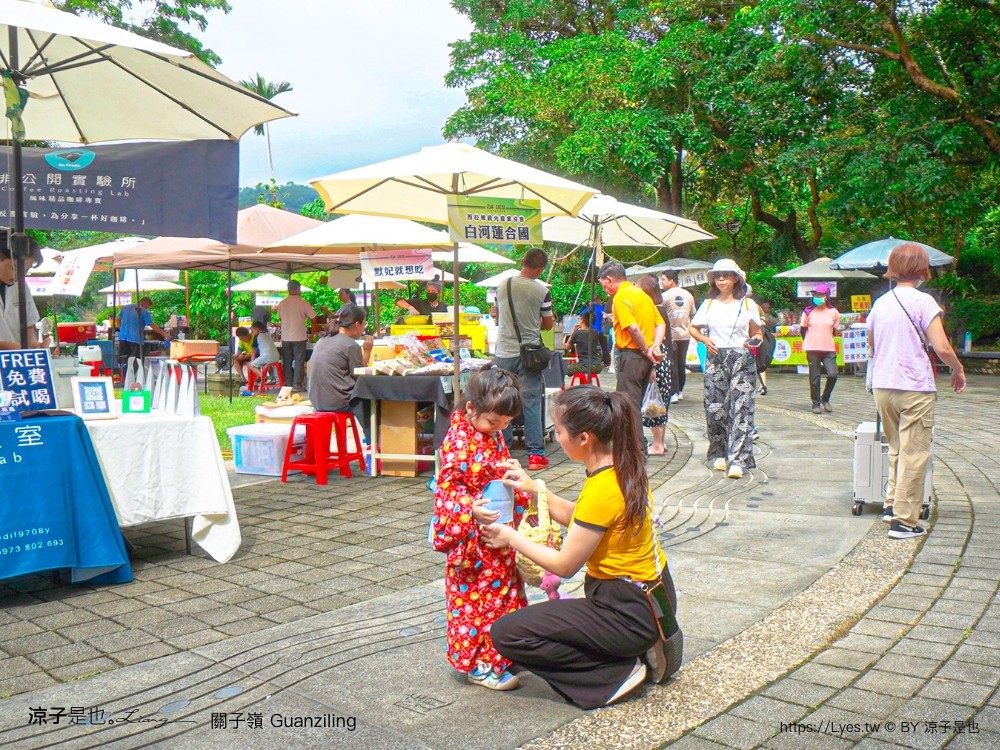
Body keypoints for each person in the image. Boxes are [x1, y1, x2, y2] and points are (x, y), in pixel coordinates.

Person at [482, 387, 680, 709]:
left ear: (584, 438)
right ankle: (634, 648)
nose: (557, 438)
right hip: (652, 598)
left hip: (625, 612)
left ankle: (615, 673)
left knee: (507, 633)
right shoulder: (623, 465)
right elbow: (585, 521)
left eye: (559, 431)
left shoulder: (602, 487)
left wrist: (511, 536)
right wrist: (536, 492)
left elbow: (564, 565)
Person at [431, 366, 528, 691]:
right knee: (477, 605)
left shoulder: (491, 433)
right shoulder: (456, 443)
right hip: (473, 543)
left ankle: (501, 652)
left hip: (497, 535)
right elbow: (446, 489)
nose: (499, 429)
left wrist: (513, 472)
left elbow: (497, 467)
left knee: (502, 598)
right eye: (493, 422)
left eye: (505, 424)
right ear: (470, 409)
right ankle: (481, 664)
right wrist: (468, 508)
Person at [867, 242, 966, 540]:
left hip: (883, 386)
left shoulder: (880, 303)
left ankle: (890, 506)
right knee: (915, 453)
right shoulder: (924, 302)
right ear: (922, 269)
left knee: (897, 448)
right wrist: (958, 369)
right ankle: (904, 522)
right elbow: (942, 347)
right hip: (914, 388)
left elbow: (871, 342)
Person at [687, 259, 762, 479]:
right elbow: (693, 327)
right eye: (717, 276)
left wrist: (753, 341)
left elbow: (758, 333)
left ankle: (738, 458)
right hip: (715, 357)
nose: (721, 280)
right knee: (715, 407)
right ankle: (718, 452)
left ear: (735, 278)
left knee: (741, 407)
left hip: (741, 357)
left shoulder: (747, 305)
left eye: (725, 275)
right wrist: (704, 340)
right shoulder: (709, 304)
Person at [495, 248, 554, 470]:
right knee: (531, 403)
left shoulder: (503, 285)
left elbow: (499, 317)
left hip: (503, 353)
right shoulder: (541, 291)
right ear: (540, 269)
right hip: (529, 355)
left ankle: (503, 453)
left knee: (504, 403)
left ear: (523, 263)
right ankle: (535, 455)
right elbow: (548, 324)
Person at [597, 261, 665, 449]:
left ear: (610, 280)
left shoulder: (620, 297)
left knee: (628, 404)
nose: (605, 290)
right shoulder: (643, 295)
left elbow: (633, 328)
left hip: (632, 355)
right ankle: (636, 445)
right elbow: (660, 324)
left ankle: (636, 448)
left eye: (604, 285)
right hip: (645, 358)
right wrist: (654, 348)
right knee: (634, 400)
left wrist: (645, 349)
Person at [307, 303, 373, 436]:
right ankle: (375, 441)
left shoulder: (322, 340)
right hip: (337, 400)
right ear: (357, 324)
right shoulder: (350, 345)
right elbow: (359, 376)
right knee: (371, 399)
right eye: (364, 324)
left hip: (316, 399)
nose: (364, 329)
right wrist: (367, 352)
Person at [635, 275, 673, 457]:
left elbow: (655, 340)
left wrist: (654, 368)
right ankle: (660, 442)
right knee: (659, 402)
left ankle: (657, 444)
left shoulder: (654, 310)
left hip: (657, 361)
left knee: (654, 404)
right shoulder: (661, 308)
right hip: (663, 360)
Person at [801, 283, 840, 414]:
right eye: (816, 294)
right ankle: (815, 403)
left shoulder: (834, 312)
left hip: (828, 348)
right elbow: (803, 329)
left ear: (827, 296)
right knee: (815, 377)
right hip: (812, 348)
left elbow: (834, 330)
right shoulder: (808, 312)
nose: (818, 297)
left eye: (821, 294)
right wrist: (809, 341)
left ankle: (825, 398)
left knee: (833, 374)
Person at [659, 271, 696, 403]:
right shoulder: (688, 295)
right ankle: (680, 391)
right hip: (685, 335)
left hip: (671, 336)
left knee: (671, 364)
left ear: (671, 281)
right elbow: (693, 316)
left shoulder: (664, 296)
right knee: (681, 363)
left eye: (663, 279)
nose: (661, 282)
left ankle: (673, 392)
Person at [0, 238, 41, 350]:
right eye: (15, 268)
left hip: (17, 362)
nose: (20, 276)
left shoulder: (21, 286)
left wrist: (33, 343)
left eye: (26, 270)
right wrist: (19, 347)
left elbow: (29, 325)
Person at [277, 279, 315, 393]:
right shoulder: (303, 303)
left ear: (288, 289)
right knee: (299, 360)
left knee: (287, 360)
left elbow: (279, 317)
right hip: (299, 336)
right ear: (298, 289)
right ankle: (297, 385)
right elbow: (314, 318)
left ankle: (288, 384)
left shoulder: (282, 303)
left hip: (285, 336)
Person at [116, 297, 168, 364]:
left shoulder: (125, 308)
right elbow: (151, 325)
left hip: (123, 338)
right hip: (135, 339)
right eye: (147, 307)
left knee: (123, 360)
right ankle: (134, 374)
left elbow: (118, 319)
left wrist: (122, 329)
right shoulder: (143, 311)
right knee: (137, 361)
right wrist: (165, 334)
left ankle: (123, 374)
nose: (147, 308)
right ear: (145, 302)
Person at [566, 311, 605, 377]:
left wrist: (573, 332)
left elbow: (567, 347)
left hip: (586, 365)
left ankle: (561, 386)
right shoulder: (595, 332)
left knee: (565, 368)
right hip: (598, 365)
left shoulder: (578, 333)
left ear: (582, 321)